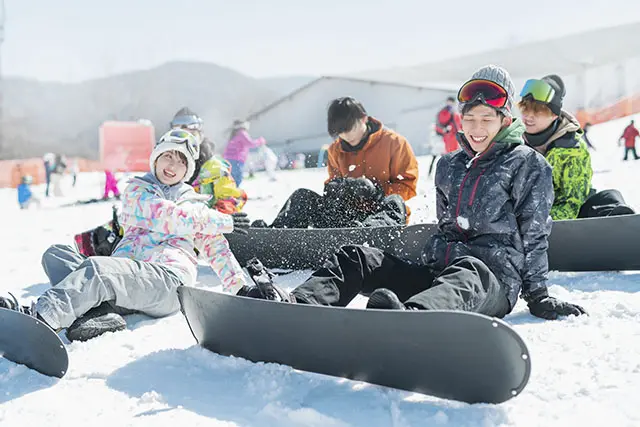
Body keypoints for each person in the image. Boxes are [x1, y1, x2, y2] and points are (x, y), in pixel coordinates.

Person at [240, 65, 586, 321]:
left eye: (487, 119)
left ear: (505, 119)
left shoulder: (527, 164)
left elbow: (535, 235)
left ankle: (406, 320)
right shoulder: (449, 165)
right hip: (440, 275)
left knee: (470, 269)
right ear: (460, 119)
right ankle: (297, 307)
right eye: (470, 118)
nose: (477, 128)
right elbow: (448, 229)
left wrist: (538, 295)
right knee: (358, 256)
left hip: (490, 282)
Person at [0, 129, 252, 342]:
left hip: (166, 281)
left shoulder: (194, 207)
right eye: (168, 157)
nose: (172, 166)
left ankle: (39, 318)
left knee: (99, 270)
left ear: (187, 170)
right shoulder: (137, 191)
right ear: (156, 158)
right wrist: (220, 220)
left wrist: (241, 288)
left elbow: (215, 248)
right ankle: (101, 314)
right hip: (128, 273)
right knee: (56, 255)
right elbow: (164, 215)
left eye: (181, 161)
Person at [254, 97, 419, 229]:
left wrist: (376, 191)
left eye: (349, 129)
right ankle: (277, 234)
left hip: (380, 217)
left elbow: (408, 186)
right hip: (345, 217)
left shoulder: (395, 143)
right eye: (340, 132)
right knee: (302, 196)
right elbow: (332, 184)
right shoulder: (335, 150)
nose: (346, 136)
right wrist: (337, 188)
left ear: (363, 119)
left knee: (395, 201)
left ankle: (367, 234)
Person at [519, 75, 633, 219]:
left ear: (554, 115)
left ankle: (616, 223)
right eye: (525, 109)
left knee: (609, 198)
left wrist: (533, 223)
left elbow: (571, 204)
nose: (528, 116)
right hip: (526, 217)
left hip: (561, 221)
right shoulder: (515, 143)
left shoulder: (572, 151)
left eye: (537, 111)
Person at [223, 120, 267, 187]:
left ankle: (231, 193)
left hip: (228, 159)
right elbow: (250, 143)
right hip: (236, 159)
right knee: (237, 178)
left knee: (232, 178)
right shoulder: (242, 133)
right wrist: (260, 141)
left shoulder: (234, 134)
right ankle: (234, 193)